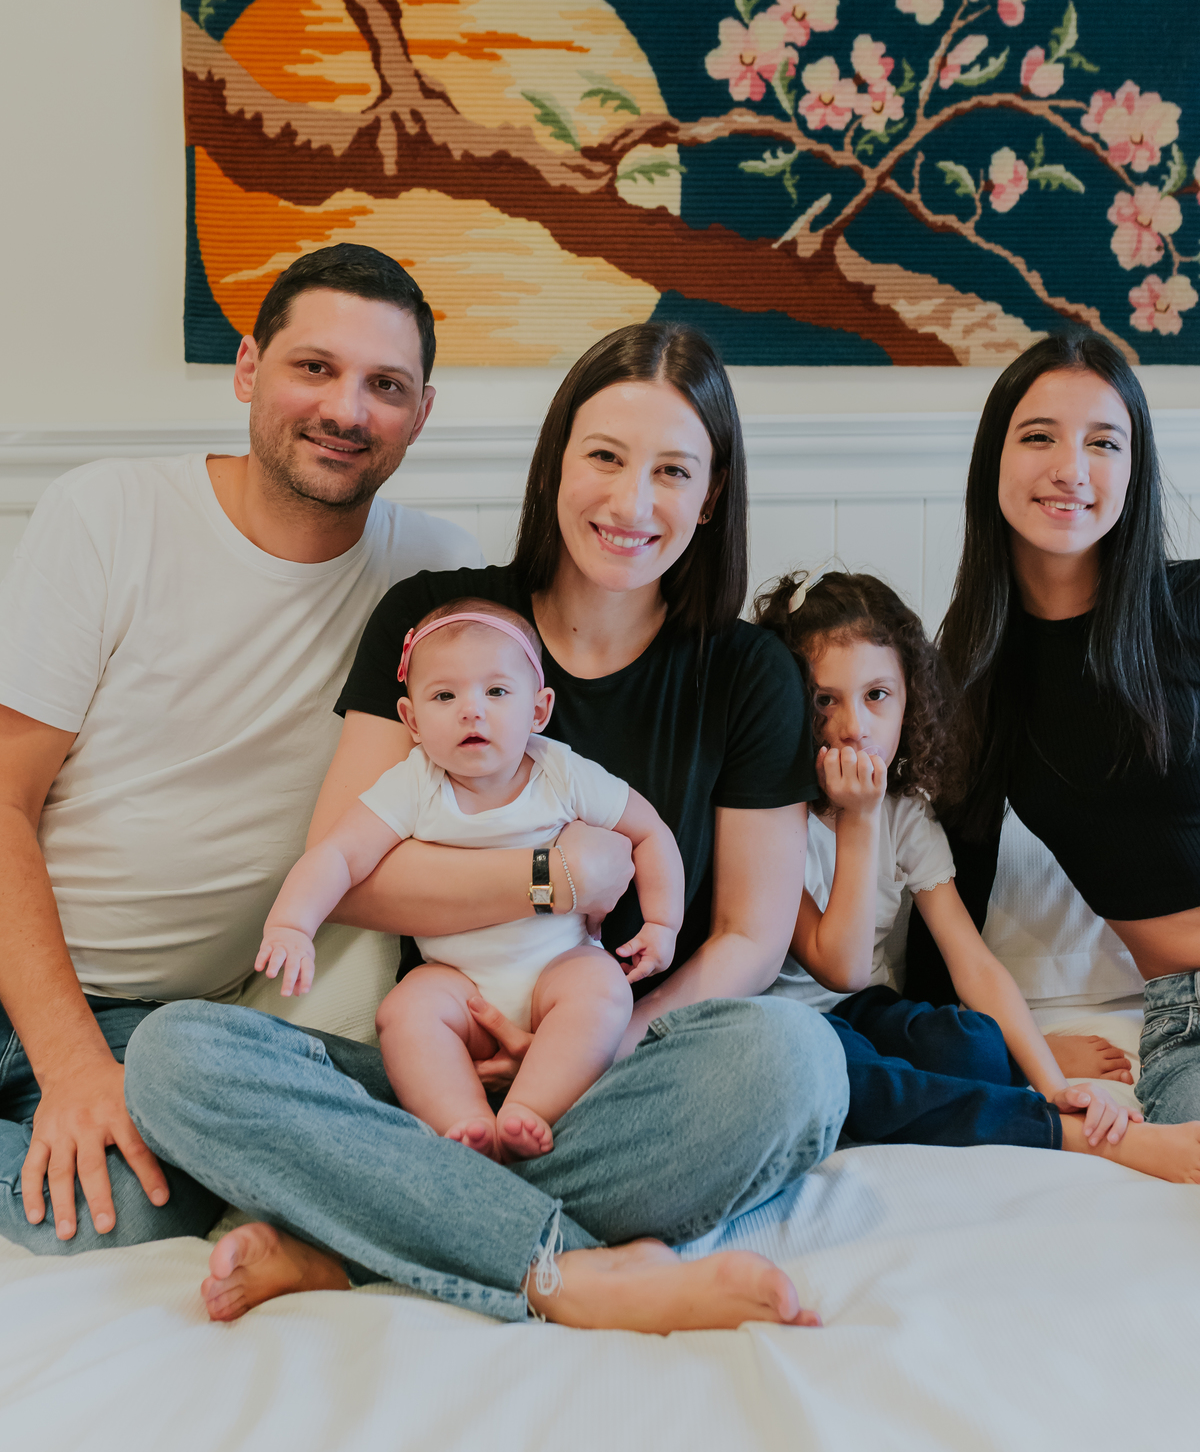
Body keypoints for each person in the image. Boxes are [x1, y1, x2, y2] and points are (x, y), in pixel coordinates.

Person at [123, 320, 850, 1333]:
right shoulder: (436, 626)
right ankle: (571, 1273)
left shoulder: (747, 674)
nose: (631, 502)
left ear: (712, 493)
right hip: (431, 1074)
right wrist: (552, 877)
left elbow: (749, 938)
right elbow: (349, 873)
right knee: (174, 1056)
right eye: (605, 457)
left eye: (673, 471)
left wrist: (596, 1045)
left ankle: (359, 1237)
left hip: (619, 1067)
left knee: (797, 1062)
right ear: (557, 462)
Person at [0, 243, 486, 1255]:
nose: (347, 409)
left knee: (128, 1209)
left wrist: (559, 878)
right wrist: (70, 1063)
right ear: (248, 368)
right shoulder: (109, 514)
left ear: (421, 414)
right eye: (315, 367)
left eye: (386, 385)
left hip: (161, 1024)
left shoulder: (435, 578)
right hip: (27, 975)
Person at [759, 568, 1200, 1179]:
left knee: (971, 1046)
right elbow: (842, 967)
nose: (853, 726)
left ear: (910, 698)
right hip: (793, 1028)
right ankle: (1063, 1135)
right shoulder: (770, 814)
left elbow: (974, 965)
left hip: (865, 1011)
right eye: (823, 700)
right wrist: (858, 820)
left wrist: (1052, 1081)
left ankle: (1020, 1077)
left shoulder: (906, 815)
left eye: (877, 695)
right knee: (858, 1079)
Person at [902, 329, 1200, 1150]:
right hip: (1185, 1011)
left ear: (1134, 471)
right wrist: (1013, 1049)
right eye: (1040, 436)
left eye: (1104, 443)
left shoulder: (1192, 606)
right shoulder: (974, 684)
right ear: (993, 460)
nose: (1072, 468)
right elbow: (944, 918)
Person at [256, 596, 684, 1161]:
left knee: (601, 989)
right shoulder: (414, 785)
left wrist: (663, 922)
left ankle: (529, 1110)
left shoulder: (561, 773)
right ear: (412, 720)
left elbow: (650, 832)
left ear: (539, 709)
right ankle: (464, 1126)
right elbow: (338, 856)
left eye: (497, 692)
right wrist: (292, 924)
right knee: (405, 1011)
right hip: (459, 987)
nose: (471, 712)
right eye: (444, 696)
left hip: (559, 969)